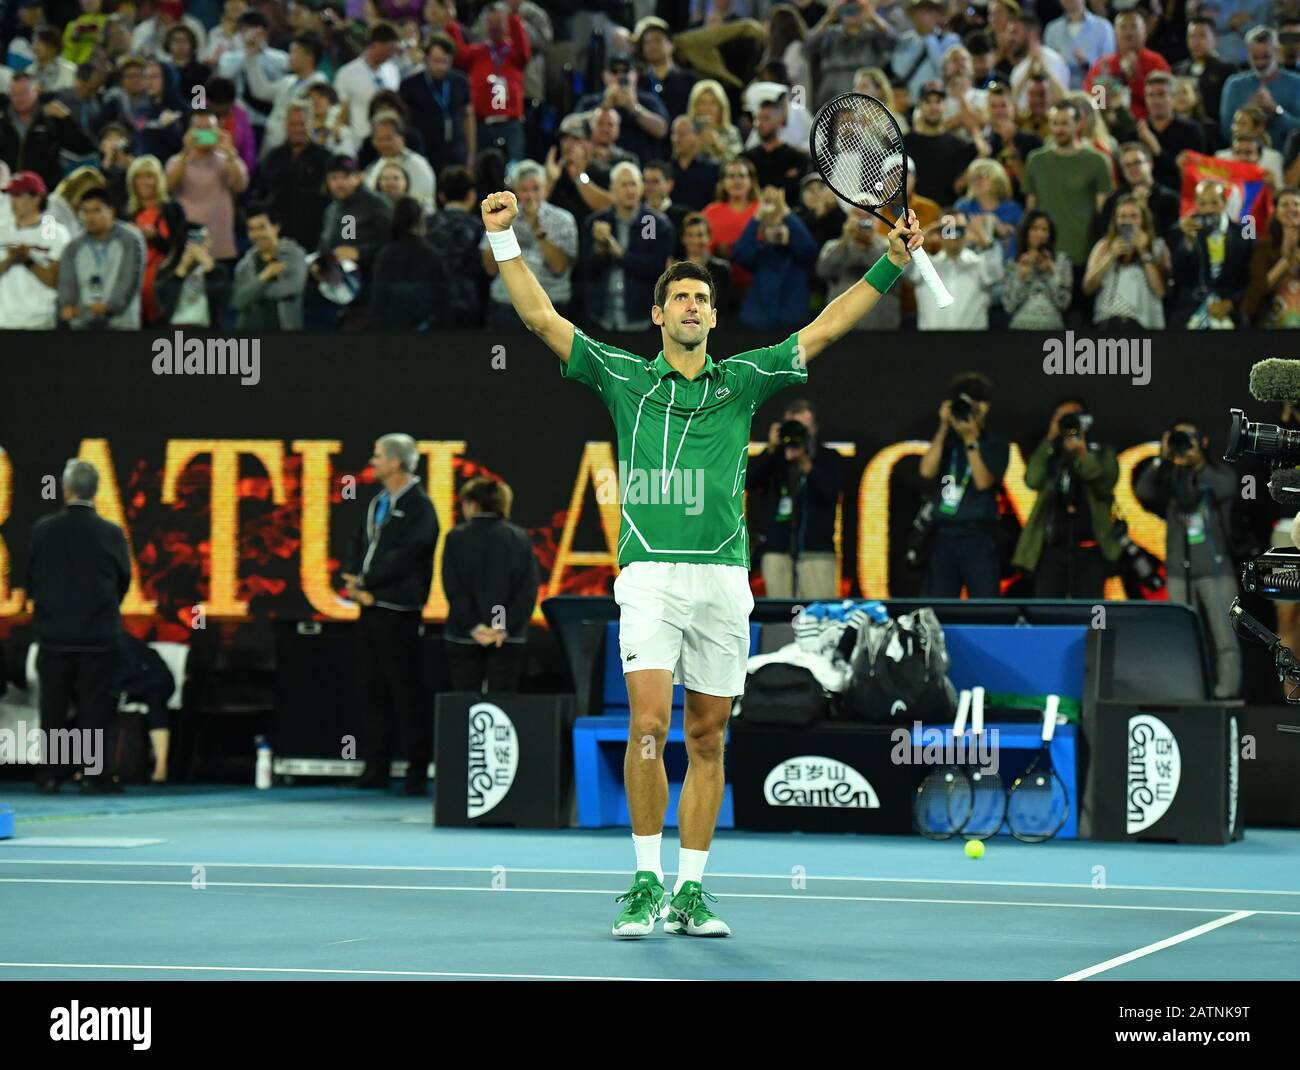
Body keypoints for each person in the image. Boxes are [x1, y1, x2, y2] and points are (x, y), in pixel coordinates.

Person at [476, 166, 922, 938]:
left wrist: (890, 262)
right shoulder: (622, 377)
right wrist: (502, 235)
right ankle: (644, 884)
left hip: (723, 580)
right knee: (650, 724)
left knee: (709, 734)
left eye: (704, 299)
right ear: (657, 313)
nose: (693, 305)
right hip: (648, 576)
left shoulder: (744, 380)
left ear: (715, 317)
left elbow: (825, 327)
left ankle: (691, 891)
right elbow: (543, 319)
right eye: (681, 296)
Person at [342, 434, 439, 795]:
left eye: (379, 455)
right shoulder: (377, 502)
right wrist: (352, 579)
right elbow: (358, 542)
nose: (372, 460)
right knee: (372, 691)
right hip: (370, 611)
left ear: (396, 462)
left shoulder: (420, 507)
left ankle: (416, 771)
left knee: (405, 692)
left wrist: (369, 583)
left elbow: (408, 554)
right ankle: (375, 767)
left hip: (399, 612)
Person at [26, 459, 130, 794]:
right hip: (97, 636)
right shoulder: (111, 533)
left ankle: (50, 776)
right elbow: (123, 581)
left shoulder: (43, 529)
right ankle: (93, 776)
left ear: (65, 488)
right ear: (95, 491)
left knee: (52, 709)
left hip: (54, 635)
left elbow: (30, 577)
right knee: (95, 709)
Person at [1134, 420, 1241, 699]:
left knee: (1225, 638)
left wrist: (1198, 464)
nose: (1184, 444)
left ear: (1202, 442)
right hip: (1178, 572)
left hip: (1216, 570)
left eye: (1188, 438)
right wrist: (1163, 459)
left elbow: (1227, 488)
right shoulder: (1169, 478)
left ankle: (1225, 697)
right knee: (1181, 638)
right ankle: (1185, 691)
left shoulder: (1218, 472)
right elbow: (1143, 492)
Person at [1011, 398, 1119, 599]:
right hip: (1052, 549)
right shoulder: (1051, 454)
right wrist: (1049, 440)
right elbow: (1032, 480)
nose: (1068, 422)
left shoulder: (1103, 453)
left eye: (1073, 416)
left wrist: (1082, 454)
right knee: (1047, 611)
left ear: (1086, 420)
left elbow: (1104, 486)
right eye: (1061, 417)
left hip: (1089, 550)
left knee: (1088, 614)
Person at [441, 476, 539, 693]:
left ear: (473, 504)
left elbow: (453, 588)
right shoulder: (519, 538)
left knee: (464, 707)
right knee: (501, 711)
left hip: (463, 637)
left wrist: (475, 626)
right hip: (507, 639)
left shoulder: (456, 538)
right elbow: (527, 592)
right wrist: (500, 627)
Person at [917, 372, 1010, 599]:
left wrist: (970, 439)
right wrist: (942, 428)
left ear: (984, 407)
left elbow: (983, 481)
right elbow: (926, 471)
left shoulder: (996, 443)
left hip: (977, 536)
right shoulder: (947, 443)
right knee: (938, 607)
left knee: (985, 605)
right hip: (943, 535)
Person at [746, 398, 843, 599]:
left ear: (815, 429)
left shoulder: (829, 458)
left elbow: (831, 491)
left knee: (820, 617)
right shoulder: (773, 459)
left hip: (816, 553)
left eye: (804, 427)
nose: (799, 433)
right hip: (777, 552)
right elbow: (748, 481)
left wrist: (806, 463)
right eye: (794, 426)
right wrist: (771, 449)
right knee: (781, 620)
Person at [1024, 101, 1114, 289]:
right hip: (1045, 253)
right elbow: (1030, 209)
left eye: (1065, 123)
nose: (1058, 129)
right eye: (1055, 123)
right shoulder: (1035, 160)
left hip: (1083, 254)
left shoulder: (1097, 161)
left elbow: (1103, 213)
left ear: (1078, 124)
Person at [480, 159, 577, 329]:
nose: (531, 195)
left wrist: (536, 227)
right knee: (503, 356)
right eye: (524, 190)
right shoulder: (501, 218)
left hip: (551, 307)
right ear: (515, 191)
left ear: (546, 187)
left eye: (536, 189)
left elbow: (559, 267)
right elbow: (489, 267)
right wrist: (500, 229)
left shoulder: (563, 219)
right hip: (506, 306)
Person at [581, 161, 675, 333]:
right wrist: (599, 250)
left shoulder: (651, 223)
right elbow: (586, 271)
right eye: (624, 185)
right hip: (602, 320)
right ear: (612, 189)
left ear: (641, 188)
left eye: (634, 184)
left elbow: (654, 268)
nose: (630, 190)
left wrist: (619, 253)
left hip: (642, 321)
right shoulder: (597, 222)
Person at [443, 1, 530, 162]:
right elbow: (459, 55)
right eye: (490, 22)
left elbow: (524, 51)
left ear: (507, 24)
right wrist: (451, 23)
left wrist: (514, 16)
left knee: (513, 166)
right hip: (482, 123)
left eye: (499, 22)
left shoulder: (514, 53)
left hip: (509, 123)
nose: (494, 27)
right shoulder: (478, 52)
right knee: (483, 168)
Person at [165, 111, 249, 269]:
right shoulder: (177, 161)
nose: (204, 134)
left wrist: (230, 152)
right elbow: (169, 186)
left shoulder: (227, 160)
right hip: (188, 246)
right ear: (190, 132)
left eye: (208, 128)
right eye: (199, 128)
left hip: (221, 245)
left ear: (218, 131)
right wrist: (185, 152)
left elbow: (240, 186)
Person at [1168, 179, 1253, 328]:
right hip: (1190, 308)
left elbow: (1247, 278)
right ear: (1195, 204)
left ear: (1224, 202)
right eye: (1202, 203)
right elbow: (1178, 275)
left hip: (1229, 309)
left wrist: (1231, 303)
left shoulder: (1243, 235)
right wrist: (1188, 241)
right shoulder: (1179, 232)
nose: (1208, 209)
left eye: (1214, 203)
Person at [732, 184, 818, 330]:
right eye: (771, 226)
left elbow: (810, 248)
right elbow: (740, 253)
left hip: (793, 326)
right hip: (758, 326)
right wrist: (757, 216)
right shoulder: (760, 255)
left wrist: (786, 213)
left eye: (780, 225)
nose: (776, 230)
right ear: (763, 232)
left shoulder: (799, 255)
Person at [57, 188, 145, 329]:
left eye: (96, 210)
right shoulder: (73, 247)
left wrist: (110, 306)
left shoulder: (130, 240)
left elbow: (128, 279)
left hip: (122, 326)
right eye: (85, 211)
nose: (90, 217)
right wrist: (67, 306)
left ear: (111, 211)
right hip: (82, 326)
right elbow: (67, 283)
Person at [251, 101, 332, 253]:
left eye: (302, 124)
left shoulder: (326, 159)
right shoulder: (272, 158)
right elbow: (259, 195)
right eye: (292, 124)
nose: (297, 129)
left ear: (311, 124)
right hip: (277, 239)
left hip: (313, 238)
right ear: (285, 125)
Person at [1082, 192, 1169, 330]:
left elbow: (1160, 291)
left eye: (1134, 216)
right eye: (1122, 216)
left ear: (1143, 220)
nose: (1128, 221)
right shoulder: (1103, 246)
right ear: (1115, 221)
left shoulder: (1158, 247)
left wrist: (1143, 252)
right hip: (1108, 322)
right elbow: (1088, 288)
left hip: (1145, 325)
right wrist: (1110, 256)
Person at [0, 72, 94, 191]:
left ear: (37, 91)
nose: (18, 99)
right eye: (14, 94)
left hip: (43, 195)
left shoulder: (52, 120)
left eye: (23, 94)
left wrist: (65, 119)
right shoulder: (2, 121)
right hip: (6, 194)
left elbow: (83, 148)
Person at [0, 169, 69, 329]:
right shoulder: (2, 230)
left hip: (40, 323)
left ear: (36, 198)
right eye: (11, 195)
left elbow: (56, 281)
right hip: (4, 323)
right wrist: (10, 260)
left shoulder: (53, 230)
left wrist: (28, 260)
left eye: (18, 195)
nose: (12, 201)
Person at [125, 154, 186, 326]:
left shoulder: (173, 210)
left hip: (165, 280)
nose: (144, 182)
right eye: (139, 177)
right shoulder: (129, 214)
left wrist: (155, 237)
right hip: (133, 281)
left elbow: (178, 247)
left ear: (158, 180)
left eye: (149, 176)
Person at [399, 33, 472, 172]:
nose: (441, 67)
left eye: (446, 62)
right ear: (426, 59)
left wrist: (471, 154)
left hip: (456, 151)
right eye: (436, 61)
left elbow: (468, 116)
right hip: (424, 152)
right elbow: (404, 121)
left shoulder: (460, 81)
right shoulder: (409, 85)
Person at [1219, 27, 1300, 151]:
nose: (1260, 63)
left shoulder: (1296, 83)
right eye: (1254, 57)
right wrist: (1249, 115)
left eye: (1266, 57)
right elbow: (1226, 130)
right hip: (1243, 159)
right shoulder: (1235, 84)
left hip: (1287, 159)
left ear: (1278, 51)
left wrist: (1276, 110)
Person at [230, 202, 307, 330]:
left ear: (276, 227)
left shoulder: (294, 255)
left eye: (262, 227)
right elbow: (238, 301)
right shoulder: (244, 265)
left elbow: (293, 287)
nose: (257, 234)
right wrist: (263, 277)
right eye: (252, 229)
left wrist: (252, 292)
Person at [816, 207, 898, 328]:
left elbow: (897, 276)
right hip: (840, 325)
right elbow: (823, 271)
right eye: (858, 215)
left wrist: (871, 245)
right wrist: (844, 242)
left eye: (869, 215)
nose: (864, 219)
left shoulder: (889, 247)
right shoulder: (833, 246)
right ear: (848, 218)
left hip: (880, 325)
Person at [1083, 11, 1171, 123]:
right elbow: (1093, 101)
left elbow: (1165, 100)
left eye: (1134, 27)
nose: (1128, 33)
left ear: (1144, 32)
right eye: (1123, 27)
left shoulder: (1156, 62)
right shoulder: (1103, 64)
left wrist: (1135, 78)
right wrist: (1105, 93)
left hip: (1147, 124)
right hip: (1110, 125)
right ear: (1115, 33)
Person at [369, 195, 442, 328]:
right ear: (420, 219)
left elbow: (379, 298)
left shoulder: (386, 253)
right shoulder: (431, 253)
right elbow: (441, 294)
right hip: (423, 325)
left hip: (391, 326)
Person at [426, 164, 484, 326]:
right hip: (468, 299)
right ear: (471, 196)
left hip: (430, 298)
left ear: (441, 196)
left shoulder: (426, 224)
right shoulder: (479, 226)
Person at [1002, 208, 1072, 329]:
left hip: (1052, 330)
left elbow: (1064, 303)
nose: (1040, 234)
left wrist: (1051, 274)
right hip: (1021, 328)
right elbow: (1009, 306)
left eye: (1044, 229)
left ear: (1050, 234)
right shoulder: (1012, 264)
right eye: (1034, 229)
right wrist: (1021, 278)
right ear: (1025, 232)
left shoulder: (1062, 262)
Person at [334, 22, 402, 145]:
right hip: (360, 139)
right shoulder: (347, 73)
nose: (392, 55)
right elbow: (342, 113)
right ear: (376, 45)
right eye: (389, 49)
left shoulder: (393, 71)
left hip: (387, 139)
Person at [1244, 186, 1300, 326]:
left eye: (1296, 204)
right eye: (1285, 205)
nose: (1291, 209)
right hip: (1271, 316)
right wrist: (1285, 260)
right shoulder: (1263, 247)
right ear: (1276, 213)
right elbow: (1258, 291)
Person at [363, 113, 435, 213]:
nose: (384, 144)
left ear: (401, 138)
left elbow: (423, 203)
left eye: (389, 138)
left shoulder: (418, 165)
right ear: (373, 142)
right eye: (380, 139)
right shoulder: (374, 167)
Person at [677, 211, 737, 316]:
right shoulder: (674, 271)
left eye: (700, 235)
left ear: (709, 237)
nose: (695, 240)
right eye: (690, 235)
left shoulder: (722, 269)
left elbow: (725, 306)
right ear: (683, 238)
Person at [669, 114, 721, 211]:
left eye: (682, 134)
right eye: (673, 134)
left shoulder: (712, 169)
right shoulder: (667, 169)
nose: (676, 139)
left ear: (697, 137)